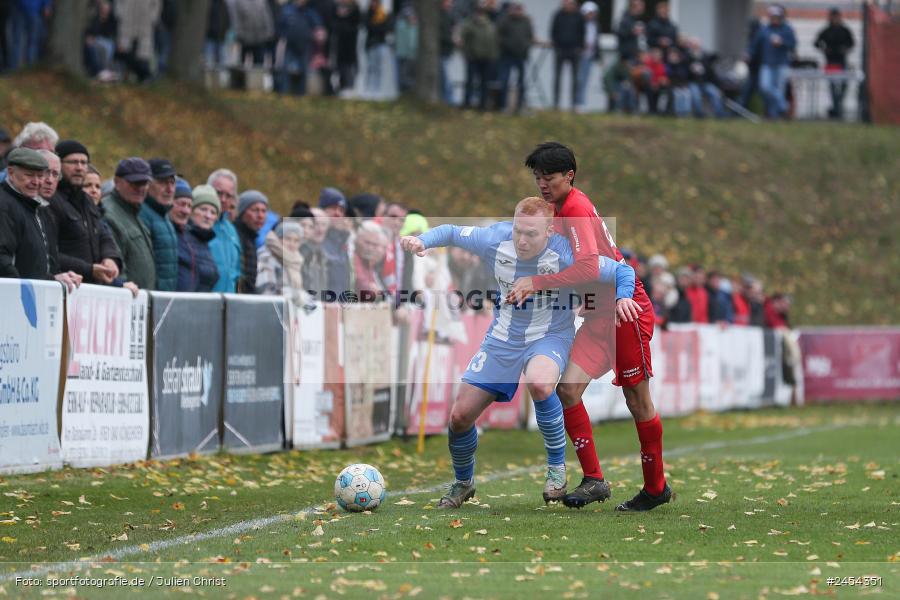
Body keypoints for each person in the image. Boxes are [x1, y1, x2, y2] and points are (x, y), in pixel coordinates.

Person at [401, 197, 638, 507]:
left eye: (531, 234)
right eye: (518, 231)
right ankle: (463, 483)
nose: (522, 240)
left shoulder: (568, 252)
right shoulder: (494, 238)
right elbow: (451, 232)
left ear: (550, 231)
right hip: (502, 338)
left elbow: (622, 271)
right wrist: (422, 240)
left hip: (550, 335)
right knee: (459, 417)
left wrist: (623, 297)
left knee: (540, 383)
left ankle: (556, 469)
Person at [507, 142, 671, 512]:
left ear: (570, 176)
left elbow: (587, 266)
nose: (542, 184)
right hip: (599, 313)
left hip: (625, 312)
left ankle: (655, 487)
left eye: (549, 177)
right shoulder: (558, 209)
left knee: (637, 401)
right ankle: (594, 480)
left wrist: (537, 283)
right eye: (537, 178)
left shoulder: (576, 208)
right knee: (567, 390)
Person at [0, 148, 81, 291]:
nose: (36, 182)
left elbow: (35, 263)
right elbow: (3, 259)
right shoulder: (4, 206)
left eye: (40, 176)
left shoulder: (37, 208)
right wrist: (21, 292)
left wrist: (54, 278)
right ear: (11, 173)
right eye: (29, 175)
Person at [47, 142, 122, 286]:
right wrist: (88, 269)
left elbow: (104, 235)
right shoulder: (50, 200)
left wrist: (110, 258)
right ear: (58, 164)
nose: (79, 167)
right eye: (73, 162)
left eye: (84, 162)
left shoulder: (87, 201)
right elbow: (48, 253)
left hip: (91, 290)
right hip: (65, 287)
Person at [102, 157, 156, 290]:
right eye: (135, 183)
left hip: (140, 297)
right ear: (117, 182)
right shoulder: (109, 214)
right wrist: (124, 293)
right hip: (126, 298)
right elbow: (115, 269)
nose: (141, 188)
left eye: (145, 183)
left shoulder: (134, 213)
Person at [748, 5, 796, 119]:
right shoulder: (764, 29)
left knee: (779, 89)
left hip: (781, 64)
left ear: (781, 17)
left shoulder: (786, 29)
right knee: (765, 87)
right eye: (772, 17)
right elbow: (755, 44)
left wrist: (782, 42)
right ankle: (784, 106)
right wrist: (749, 53)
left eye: (776, 17)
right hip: (767, 63)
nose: (774, 19)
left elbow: (793, 44)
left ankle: (774, 114)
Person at [139, 159, 179, 291]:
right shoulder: (141, 214)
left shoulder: (164, 215)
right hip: (149, 297)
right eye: (162, 182)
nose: (170, 189)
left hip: (165, 298)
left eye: (172, 182)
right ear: (147, 184)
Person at [174, 184, 219, 293]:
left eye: (213, 212)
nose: (208, 216)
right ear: (191, 210)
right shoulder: (180, 237)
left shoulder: (205, 243)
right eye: (203, 209)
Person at [276, 0, 322, 96]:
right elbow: (280, 26)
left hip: (305, 45)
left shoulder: (310, 12)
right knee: (285, 68)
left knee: (304, 69)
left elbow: (318, 27)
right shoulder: (287, 11)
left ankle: (301, 92)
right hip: (290, 44)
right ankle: (284, 91)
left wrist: (316, 36)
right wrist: (283, 36)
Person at [815, 8, 855, 120]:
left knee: (844, 84)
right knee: (832, 86)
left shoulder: (845, 30)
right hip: (831, 61)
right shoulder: (826, 30)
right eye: (833, 17)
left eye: (836, 17)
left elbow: (852, 43)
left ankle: (837, 107)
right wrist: (824, 49)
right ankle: (837, 109)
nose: (835, 19)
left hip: (842, 61)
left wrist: (846, 49)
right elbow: (816, 43)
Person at [207, 168, 242, 292]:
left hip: (229, 301)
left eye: (228, 195)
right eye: (219, 193)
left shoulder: (231, 231)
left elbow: (236, 273)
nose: (223, 199)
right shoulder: (198, 225)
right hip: (203, 300)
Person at [461, 1, 498, 110]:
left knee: (484, 83)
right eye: (478, 11)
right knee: (470, 82)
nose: (480, 13)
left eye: (482, 11)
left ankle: (483, 105)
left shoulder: (490, 25)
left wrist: (493, 57)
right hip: (472, 58)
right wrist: (466, 54)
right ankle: (467, 104)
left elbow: (493, 42)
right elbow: (462, 40)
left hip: (487, 59)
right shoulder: (468, 24)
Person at [496, 2, 533, 113]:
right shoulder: (505, 21)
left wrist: (526, 47)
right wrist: (507, 46)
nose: (518, 12)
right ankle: (503, 106)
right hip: (506, 55)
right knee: (504, 80)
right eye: (516, 9)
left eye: (520, 10)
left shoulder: (526, 21)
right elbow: (499, 36)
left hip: (521, 56)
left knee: (521, 82)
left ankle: (520, 106)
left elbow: (529, 36)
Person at [257, 220, 306, 303]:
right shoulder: (267, 257)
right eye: (287, 239)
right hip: (271, 307)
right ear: (278, 239)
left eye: (296, 241)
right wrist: (297, 295)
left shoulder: (295, 260)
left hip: (289, 308)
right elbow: (265, 290)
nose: (292, 244)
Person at [319, 187, 353, 301]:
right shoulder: (317, 239)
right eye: (333, 208)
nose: (337, 213)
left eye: (341, 210)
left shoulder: (342, 242)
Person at [550, 0, 584, 110]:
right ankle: (556, 103)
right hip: (560, 50)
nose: (568, 5)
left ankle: (574, 104)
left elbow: (582, 32)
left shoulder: (579, 16)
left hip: (574, 50)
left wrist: (579, 47)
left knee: (575, 79)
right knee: (557, 78)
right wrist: (556, 46)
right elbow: (553, 31)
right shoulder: (558, 15)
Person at [235, 190, 268, 293]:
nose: (260, 216)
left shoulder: (251, 238)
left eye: (264, 211)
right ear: (242, 212)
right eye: (255, 210)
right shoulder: (236, 237)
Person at [331, 0, 361, 95]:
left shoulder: (355, 9)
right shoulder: (336, 8)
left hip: (350, 44)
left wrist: (344, 15)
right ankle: (342, 86)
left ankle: (349, 87)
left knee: (348, 66)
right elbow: (334, 24)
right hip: (340, 44)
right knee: (341, 66)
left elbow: (356, 22)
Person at [353, 220, 388, 302]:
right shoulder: (353, 256)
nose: (370, 248)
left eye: (374, 244)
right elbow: (363, 286)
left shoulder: (368, 261)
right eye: (367, 243)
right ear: (357, 239)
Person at [573, 2, 599, 112]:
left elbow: (596, 40)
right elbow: (577, 38)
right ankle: (577, 102)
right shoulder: (579, 24)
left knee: (585, 80)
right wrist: (582, 45)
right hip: (580, 55)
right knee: (579, 79)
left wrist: (598, 55)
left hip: (589, 55)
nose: (591, 15)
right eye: (589, 13)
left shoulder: (595, 25)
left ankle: (581, 102)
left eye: (592, 13)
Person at [364, 0, 391, 99]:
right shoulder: (368, 13)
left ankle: (377, 89)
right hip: (371, 44)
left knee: (378, 68)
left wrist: (375, 26)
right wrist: (377, 26)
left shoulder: (383, 14)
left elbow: (386, 28)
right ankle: (370, 89)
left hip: (380, 44)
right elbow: (368, 26)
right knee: (371, 67)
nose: (373, 4)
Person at [394, 6, 418, 95]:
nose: (412, 19)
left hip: (409, 55)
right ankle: (403, 92)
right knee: (402, 75)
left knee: (407, 75)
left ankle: (406, 91)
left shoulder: (412, 27)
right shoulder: (402, 26)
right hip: (403, 54)